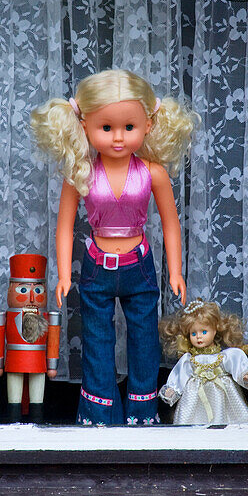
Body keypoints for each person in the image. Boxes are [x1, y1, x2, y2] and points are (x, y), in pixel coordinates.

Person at [31, 69, 198, 426]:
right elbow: (64, 225)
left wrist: (175, 270)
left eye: (129, 127)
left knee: (144, 340)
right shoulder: (81, 172)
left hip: (139, 265)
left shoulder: (152, 172)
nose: (118, 138)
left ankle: (142, 413)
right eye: (106, 128)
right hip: (96, 265)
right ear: (85, 125)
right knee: (96, 340)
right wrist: (63, 274)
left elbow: (171, 223)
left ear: (149, 124)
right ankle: (100, 414)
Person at [158, 298, 248, 426]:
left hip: (222, 394)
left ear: (215, 330)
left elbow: (237, 364)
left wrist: (245, 376)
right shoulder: (188, 360)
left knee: (229, 421)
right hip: (194, 396)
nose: (199, 336)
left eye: (204, 332)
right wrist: (172, 389)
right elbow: (180, 375)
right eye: (193, 333)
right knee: (190, 422)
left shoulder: (225, 356)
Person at [0, 254, 60, 424]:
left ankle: (37, 418)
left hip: (38, 363)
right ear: (10, 290)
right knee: (14, 394)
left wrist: (52, 365)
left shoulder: (48, 316)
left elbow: (52, 341)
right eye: (23, 290)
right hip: (14, 361)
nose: (31, 297)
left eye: (37, 290)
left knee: (37, 395)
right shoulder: (5, 316)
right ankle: (14, 418)